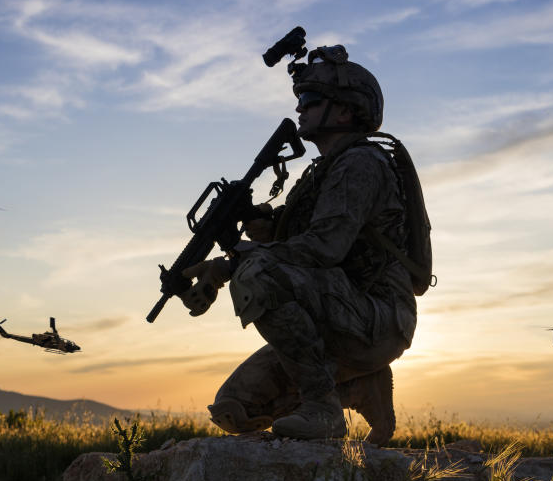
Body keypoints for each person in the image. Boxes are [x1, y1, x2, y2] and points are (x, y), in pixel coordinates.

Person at [178, 43, 418, 442]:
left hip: (376, 316)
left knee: (257, 273)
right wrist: (261, 225)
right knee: (235, 409)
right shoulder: (322, 173)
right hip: (336, 314)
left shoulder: (361, 164)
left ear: (344, 110)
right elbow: (297, 244)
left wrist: (228, 266)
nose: (299, 109)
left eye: (309, 99)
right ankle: (360, 385)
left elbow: (323, 249)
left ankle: (323, 408)